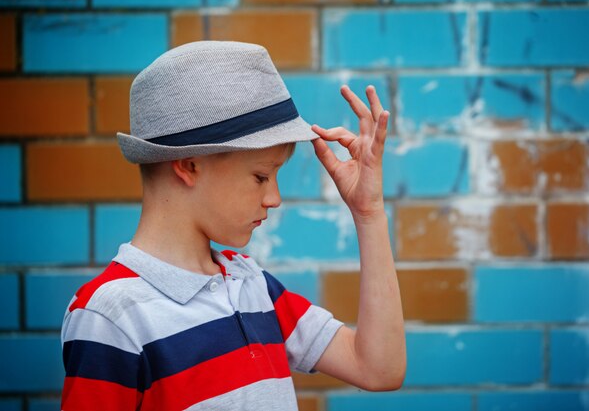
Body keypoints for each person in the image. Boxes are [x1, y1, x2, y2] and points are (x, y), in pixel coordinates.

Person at [60, 41, 406, 410]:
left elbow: (378, 369)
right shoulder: (111, 315)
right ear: (190, 165)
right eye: (260, 176)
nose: (275, 198)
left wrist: (368, 213)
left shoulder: (253, 286)